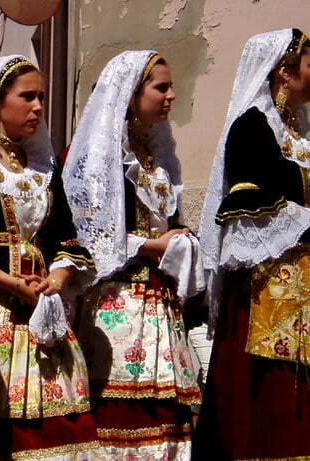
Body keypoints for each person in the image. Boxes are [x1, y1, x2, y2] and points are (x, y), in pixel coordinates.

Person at [0, 55, 101, 459]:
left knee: (58, 424)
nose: (38, 107)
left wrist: (59, 279)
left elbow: (66, 234)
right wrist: (11, 283)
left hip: (43, 309)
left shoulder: (44, 165)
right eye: (27, 96)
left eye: (41, 97)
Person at [63, 51, 204, 459]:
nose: (171, 95)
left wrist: (180, 237)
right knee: (124, 408)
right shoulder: (96, 155)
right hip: (117, 301)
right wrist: (155, 244)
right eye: (160, 87)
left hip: (160, 301)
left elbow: (168, 218)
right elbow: (88, 230)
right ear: (130, 94)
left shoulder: (157, 156)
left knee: (168, 408)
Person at [196, 28, 310, 460]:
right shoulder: (251, 127)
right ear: (284, 71)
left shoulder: (304, 134)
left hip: (306, 288)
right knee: (269, 400)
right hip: (268, 292)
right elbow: (249, 209)